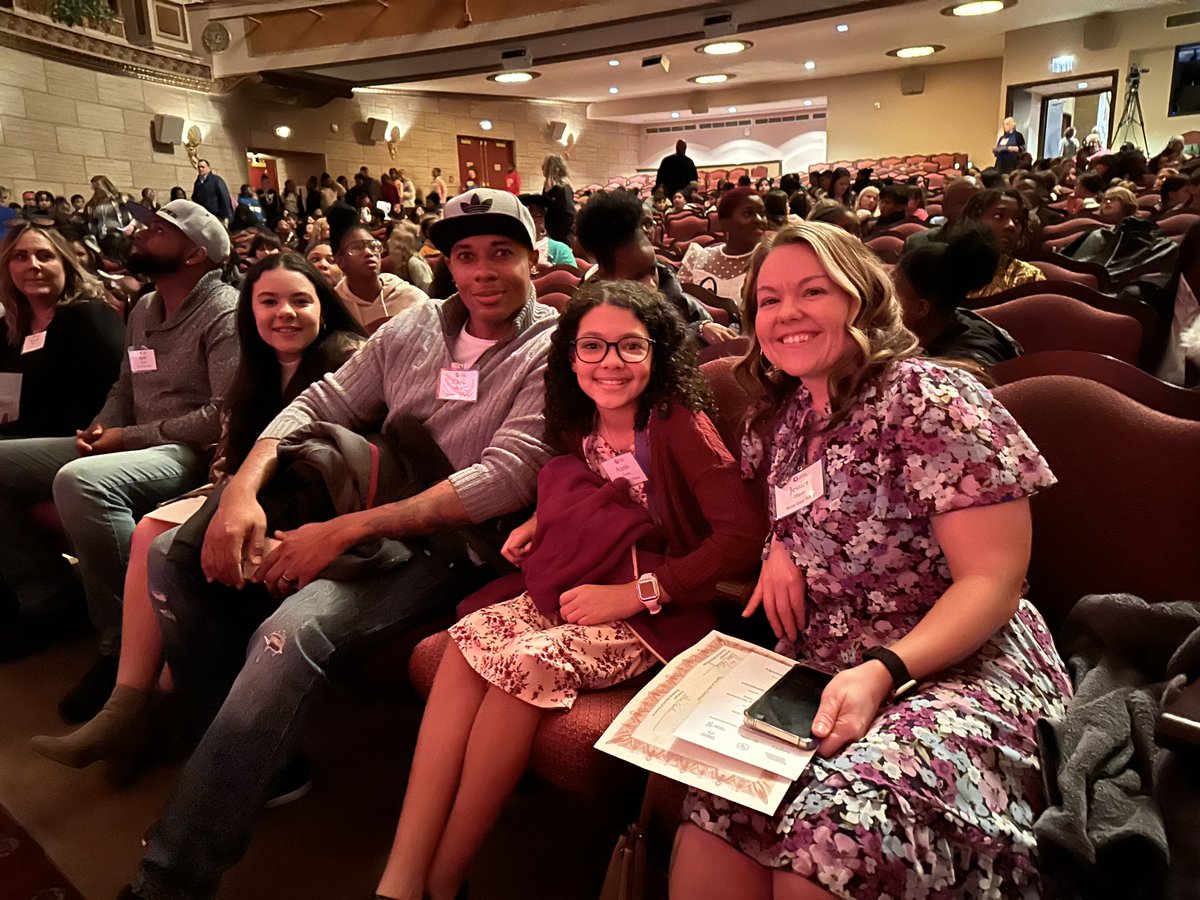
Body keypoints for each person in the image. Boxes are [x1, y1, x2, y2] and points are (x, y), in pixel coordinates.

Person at [119, 188, 559, 900]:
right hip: (373, 504)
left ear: (534, 258)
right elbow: (320, 402)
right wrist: (239, 492)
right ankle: (259, 766)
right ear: (446, 262)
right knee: (182, 558)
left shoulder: (553, 345)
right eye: (465, 255)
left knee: (288, 633)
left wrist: (341, 531)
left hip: (460, 543)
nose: (482, 271)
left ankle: (168, 877)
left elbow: (505, 478)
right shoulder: (414, 328)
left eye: (501, 253)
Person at [673, 221, 1069, 900]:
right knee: (717, 812)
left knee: (834, 837)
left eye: (812, 291)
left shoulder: (928, 398)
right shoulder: (789, 415)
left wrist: (884, 672)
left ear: (861, 297)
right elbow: (799, 510)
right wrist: (780, 547)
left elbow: (994, 581)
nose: (786, 313)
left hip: (957, 663)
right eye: (768, 300)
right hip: (833, 658)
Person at [375, 278, 765, 900]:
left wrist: (639, 592)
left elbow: (742, 536)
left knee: (522, 669)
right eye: (592, 347)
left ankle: (444, 881)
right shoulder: (577, 418)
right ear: (570, 355)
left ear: (658, 354)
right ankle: (401, 876)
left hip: (655, 606)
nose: (610, 363)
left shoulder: (677, 424)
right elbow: (585, 484)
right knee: (462, 647)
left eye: (630, 348)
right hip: (586, 575)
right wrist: (539, 520)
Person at [29, 252, 365, 776]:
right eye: (269, 301)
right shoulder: (255, 366)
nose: (285, 313)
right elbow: (230, 455)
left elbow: (343, 466)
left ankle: (156, 709)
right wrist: (225, 490)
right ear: (250, 311)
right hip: (247, 497)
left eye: (301, 300)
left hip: (311, 507)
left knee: (171, 554)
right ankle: (128, 703)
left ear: (324, 306)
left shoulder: (345, 357)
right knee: (147, 533)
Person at [0, 201, 238, 710]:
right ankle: (45, 596)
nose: (141, 233)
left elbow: (220, 416)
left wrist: (126, 436)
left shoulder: (224, 310)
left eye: (158, 230)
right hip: (134, 438)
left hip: (189, 451)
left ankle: (125, 643)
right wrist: (101, 424)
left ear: (195, 253)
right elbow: (124, 384)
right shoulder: (146, 306)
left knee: (80, 482)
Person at [0, 222, 125, 438]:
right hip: (16, 438)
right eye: (20, 257)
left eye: (45, 256)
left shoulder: (90, 317)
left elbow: (102, 402)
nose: (33, 265)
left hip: (79, 439)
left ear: (65, 264)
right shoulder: (7, 326)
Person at [575, 189, 736, 345]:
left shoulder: (664, 276)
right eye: (637, 277)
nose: (652, 284)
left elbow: (678, 326)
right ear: (605, 278)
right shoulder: (585, 305)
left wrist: (700, 327)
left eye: (652, 271)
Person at [895, 223, 1022, 366]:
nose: (886, 303)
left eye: (894, 295)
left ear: (921, 308)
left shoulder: (969, 360)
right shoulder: (933, 328)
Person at [324, 203, 426, 330]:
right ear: (340, 260)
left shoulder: (408, 296)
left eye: (373, 246)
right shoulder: (335, 307)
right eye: (356, 247)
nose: (368, 252)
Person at [677, 186, 767, 303]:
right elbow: (678, 304)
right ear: (725, 222)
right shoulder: (699, 258)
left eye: (762, 213)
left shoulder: (768, 259)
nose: (759, 219)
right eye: (748, 213)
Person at [960, 188, 1043, 297]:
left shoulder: (1029, 278)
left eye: (1017, 220)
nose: (1011, 225)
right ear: (975, 220)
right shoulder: (944, 270)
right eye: (998, 216)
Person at [518, 194, 575, 270]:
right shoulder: (509, 249)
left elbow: (574, 279)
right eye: (529, 213)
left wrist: (551, 272)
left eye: (539, 214)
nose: (535, 217)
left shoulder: (559, 250)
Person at [385, 220, 434, 293]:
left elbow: (428, 290)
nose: (389, 241)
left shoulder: (413, 262)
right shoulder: (400, 261)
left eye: (394, 238)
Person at [540, 154, 575, 244]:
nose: (542, 167)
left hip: (562, 238)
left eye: (545, 165)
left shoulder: (563, 188)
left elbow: (569, 215)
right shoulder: (547, 188)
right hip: (552, 234)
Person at [190, 160, 234, 226]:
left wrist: (224, 215)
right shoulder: (198, 182)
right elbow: (195, 197)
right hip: (203, 215)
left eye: (203, 167)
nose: (200, 169)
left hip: (216, 215)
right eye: (199, 167)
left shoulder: (216, 180)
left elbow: (224, 197)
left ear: (208, 168)